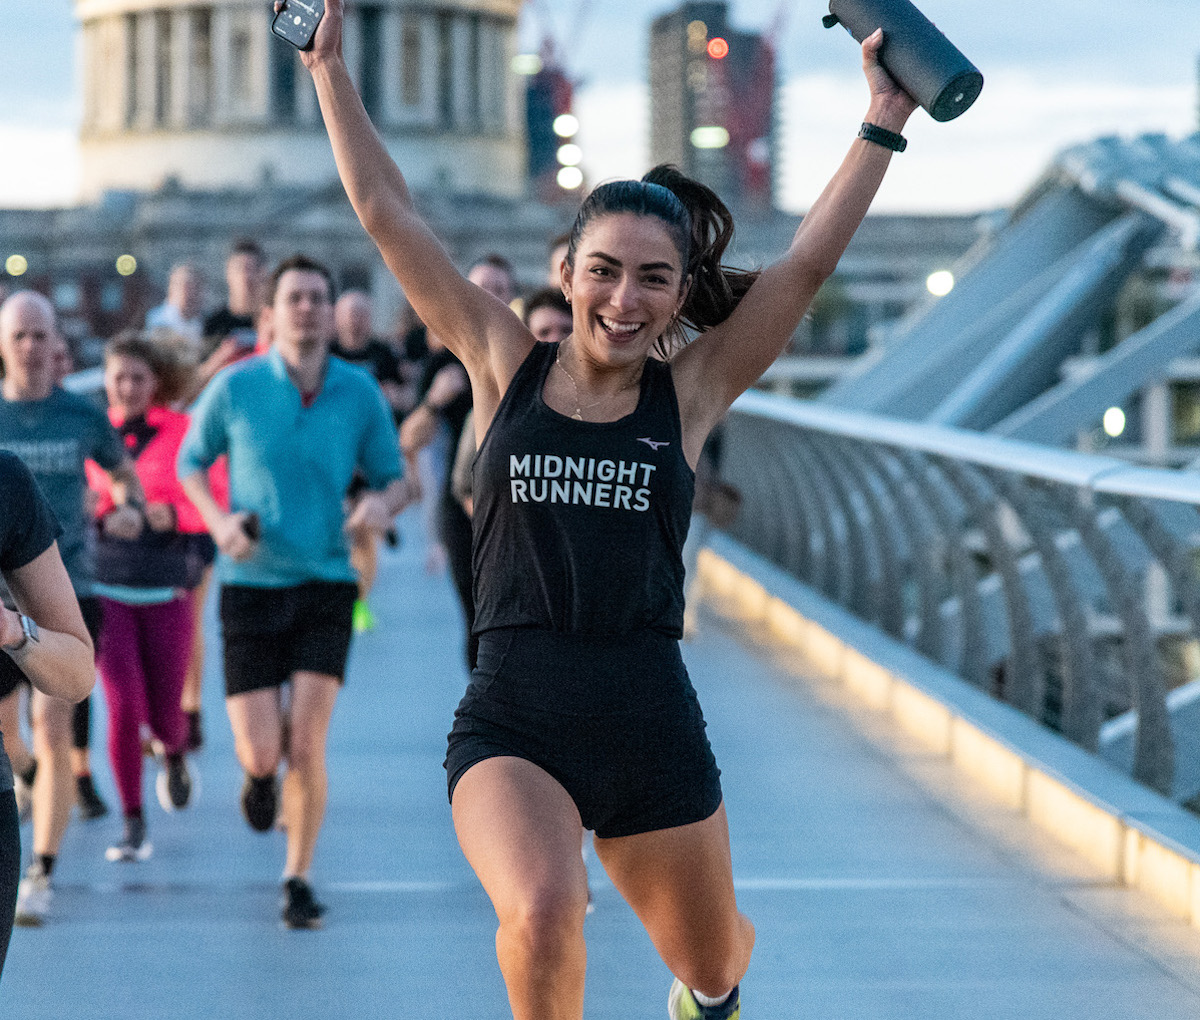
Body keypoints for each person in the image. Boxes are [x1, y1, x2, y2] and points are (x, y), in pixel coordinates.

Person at [298, 1, 915, 1013]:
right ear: (569, 274)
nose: (625, 300)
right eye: (605, 272)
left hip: (647, 716)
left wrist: (881, 121)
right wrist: (328, 67)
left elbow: (802, 266)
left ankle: (708, 987)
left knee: (713, 966)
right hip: (513, 711)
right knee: (544, 911)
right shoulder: (503, 362)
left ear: (679, 296)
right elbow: (388, 216)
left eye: (653, 281)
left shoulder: (693, 392)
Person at [178, 254, 418, 929]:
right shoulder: (237, 386)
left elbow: (395, 477)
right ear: (271, 315)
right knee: (262, 750)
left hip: (326, 582)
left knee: (307, 745)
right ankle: (259, 780)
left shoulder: (359, 390)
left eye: (318, 297)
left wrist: (380, 504)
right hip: (250, 582)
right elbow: (189, 461)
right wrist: (220, 522)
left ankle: (297, 877)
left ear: (332, 312)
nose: (307, 310)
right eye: (295, 299)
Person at [0, 291, 148, 927]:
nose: (33, 348)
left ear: (58, 346)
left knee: (53, 725)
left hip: (68, 586)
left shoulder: (81, 414)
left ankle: (41, 869)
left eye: (43, 337)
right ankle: (25, 781)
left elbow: (125, 478)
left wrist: (122, 508)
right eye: (21, 337)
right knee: (11, 734)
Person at [87, 334, 211, 862]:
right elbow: (69, 500)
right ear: (106, 382)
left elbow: (213, 502)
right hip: (103, 587)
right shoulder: (90, 434)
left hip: (166, 587)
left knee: (165, 712)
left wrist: (171, 516)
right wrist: (98, 514)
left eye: (139, 377)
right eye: (119, 377)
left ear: (156, 382)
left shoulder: (184, 433)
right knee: (123, 705)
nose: (129, 387)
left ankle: (175, 753)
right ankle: (133, 821)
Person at [0, 452, 95, 975]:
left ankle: (45, 861)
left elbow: (77, 670)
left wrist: (14, 631)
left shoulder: (6, 482)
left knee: (46, 730)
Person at [400, 255, 514, 670]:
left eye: (499, 290)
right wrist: (434, 401)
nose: (489, 298)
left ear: (512, 298)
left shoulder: (530, 358)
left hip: (521, 501)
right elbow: (409, 438)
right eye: (480, 288)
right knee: (476, 616)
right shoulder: (445, 362)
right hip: (461, 502)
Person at [451, 288, 573, 517]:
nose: (555, 340)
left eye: (566, 330)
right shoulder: (498, 400)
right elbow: (465, 486)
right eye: (544, 331)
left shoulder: (603, 403)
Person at [330, 290, 407, 632]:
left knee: (364, 531)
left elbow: (406, 395)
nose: (355, 320)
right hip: (333, 454)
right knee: (335, 529)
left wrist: (392, 396)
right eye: (349, 313)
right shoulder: (327, 353)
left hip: (370, 454)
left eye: (361, 313)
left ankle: (358, 600)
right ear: (337, 317)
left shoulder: (381, 353)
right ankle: (334, 590)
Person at [145, 263, 206, 351]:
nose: (191, 293)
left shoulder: (208, 324)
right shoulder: (155, 321)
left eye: (196, 287)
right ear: (171, 288)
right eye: (186, 286)